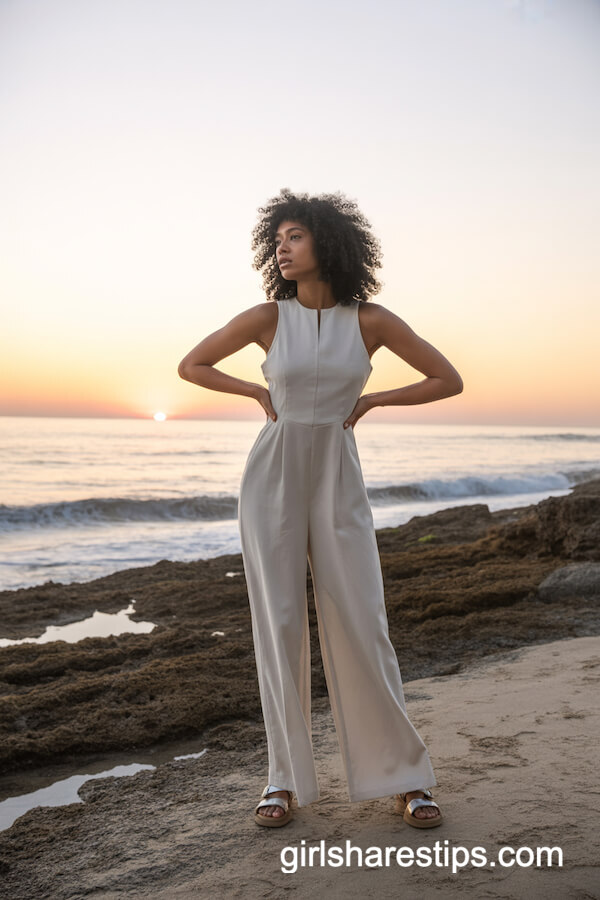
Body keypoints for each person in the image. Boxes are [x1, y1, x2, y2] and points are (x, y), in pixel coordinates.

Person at [178, 189, 463, 829]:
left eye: (296, 236)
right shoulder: (266, 317)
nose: (282, 248)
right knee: (278, 622)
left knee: (363, 619)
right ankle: (281, 780)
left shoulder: (372, 321)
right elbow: (191, 365)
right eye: (277, 239)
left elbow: (448, 379)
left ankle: (406, 778)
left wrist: (376, 400)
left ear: (328, 243)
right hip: (272, 475)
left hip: (338, 473)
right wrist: (254, 389)